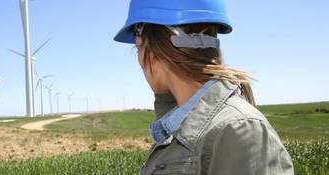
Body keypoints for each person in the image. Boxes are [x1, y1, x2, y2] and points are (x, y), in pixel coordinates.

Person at [114, 0, 294, 174]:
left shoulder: (238, 130)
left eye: (138, 47)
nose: (139, 61)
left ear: (153, 52)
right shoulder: (181, 130)